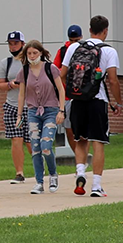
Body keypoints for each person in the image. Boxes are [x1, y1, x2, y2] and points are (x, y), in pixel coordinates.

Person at [63, 15, 121, 196]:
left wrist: (71, 91)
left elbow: (62, 73)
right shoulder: (109, 51)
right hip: (98, 100)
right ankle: (96, 186)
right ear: (105, 31)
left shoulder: (74, 47)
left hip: (77, 100)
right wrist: (117, 102)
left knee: (80, 140)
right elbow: (112, 80)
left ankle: (80, 173)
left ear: (89, 30)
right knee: (98, 143)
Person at [16, 39, 66, 193]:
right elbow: (22, 94)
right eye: (29, 53)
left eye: (35, 53)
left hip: (50, 111)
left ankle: (53, 174)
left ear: (41, 53)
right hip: (33, 112)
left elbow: (61, 89)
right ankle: (39, 181)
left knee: (46, 146)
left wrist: (61, 110)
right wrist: (19, 115)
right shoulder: (24, 71)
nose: (32, 56)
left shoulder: (50, 68)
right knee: (35, 147)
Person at [0, 30, 29, 185]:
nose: (13, 46)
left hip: (30, 107)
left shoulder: (31, 61)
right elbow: (0, 84)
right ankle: (19, 172)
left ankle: (42, 168)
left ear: (23, 44)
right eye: (10, 43)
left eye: (16, 43)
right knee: (17, 139)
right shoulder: (6, 63)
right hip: (12, 107)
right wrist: (11, 84)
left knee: (31, 141)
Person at [53, 24, 84, 155]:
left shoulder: (86, 50)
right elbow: (54, 70)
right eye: (71, 40)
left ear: (81, 38)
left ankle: (81, 158)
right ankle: (78, 158)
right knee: (69, 129)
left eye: (76, 40)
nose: (73, 43)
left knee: (82, 131)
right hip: (67, 96)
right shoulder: (63, 51)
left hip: (83, 95)